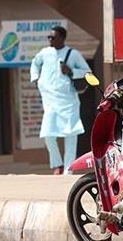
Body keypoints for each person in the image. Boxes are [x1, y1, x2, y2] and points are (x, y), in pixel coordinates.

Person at [30, 26, 91, 175]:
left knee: (71, 135)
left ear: (62, 38)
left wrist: (71, 71)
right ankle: (57, 164)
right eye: (49, 37)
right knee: (48, 134)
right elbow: (35, 64)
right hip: (50, 101)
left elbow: (88, 72)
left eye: (53, 37)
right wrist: (36, 78)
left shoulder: (73, 54)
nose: (50, 40)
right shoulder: (45, 53)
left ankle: (68, 170)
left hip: (68, 101)